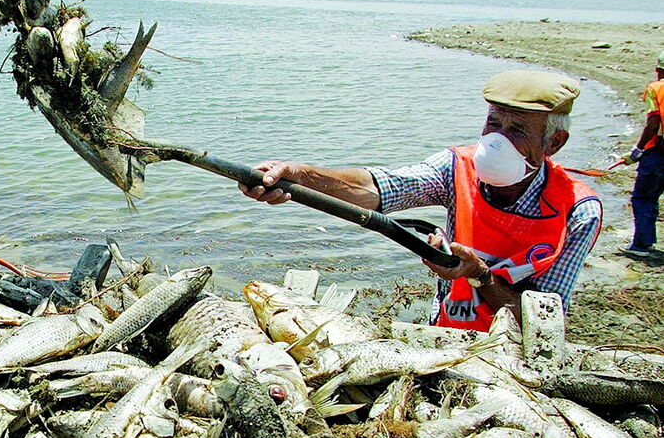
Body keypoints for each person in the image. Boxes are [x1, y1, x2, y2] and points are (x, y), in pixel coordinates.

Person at [239, 70, 602, 330]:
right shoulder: (456, 167)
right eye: (494, 124)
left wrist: (479, 275)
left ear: (554, 143)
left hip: (515, 353)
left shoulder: (578, 210)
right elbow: (380, 188)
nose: (497, 140)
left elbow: (541, 321)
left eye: (517, 129)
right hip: (446, 330)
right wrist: (301, 176)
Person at [619, 51, 664, 257]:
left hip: (659, 152)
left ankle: (642, 245)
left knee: (644, 197)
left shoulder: (656, 88)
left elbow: (654, 122)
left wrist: (638, 150)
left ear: (658, 70)